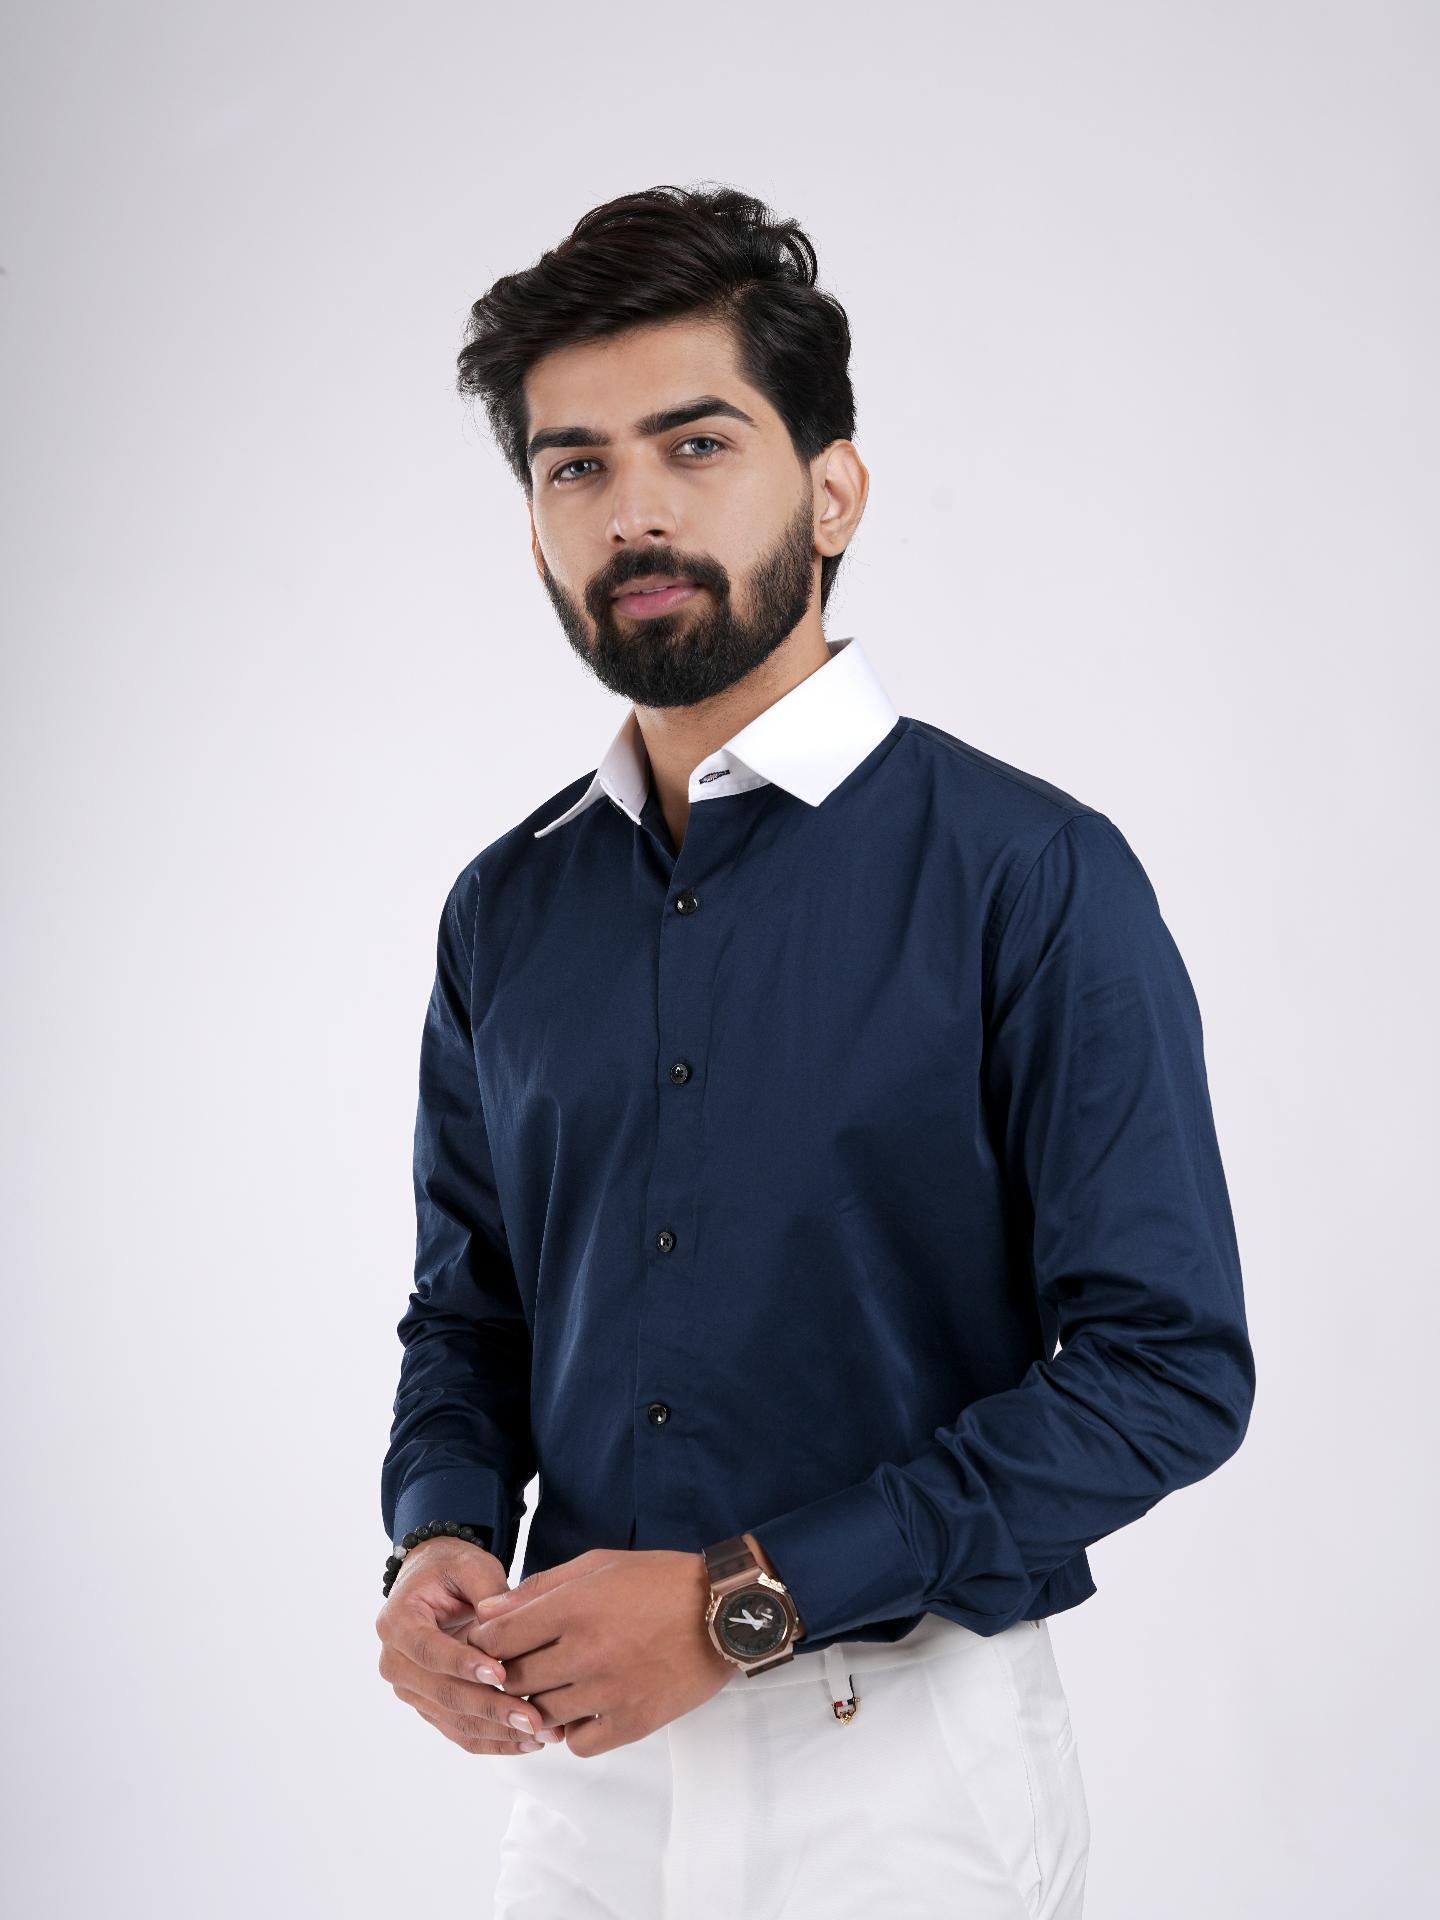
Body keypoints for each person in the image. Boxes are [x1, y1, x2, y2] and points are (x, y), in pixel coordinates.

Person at [374, 183, 1256, 1919]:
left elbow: (1166, 1371)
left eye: (696, 445)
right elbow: (470, 1316)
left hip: (905, 1771)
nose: (635, 509)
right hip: (585, 1777)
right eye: (575, 467)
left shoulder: (1030, 872)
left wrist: (736, 1602)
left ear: (833, 490)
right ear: (537, 527)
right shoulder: (504, 910)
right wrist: (441, 1536)